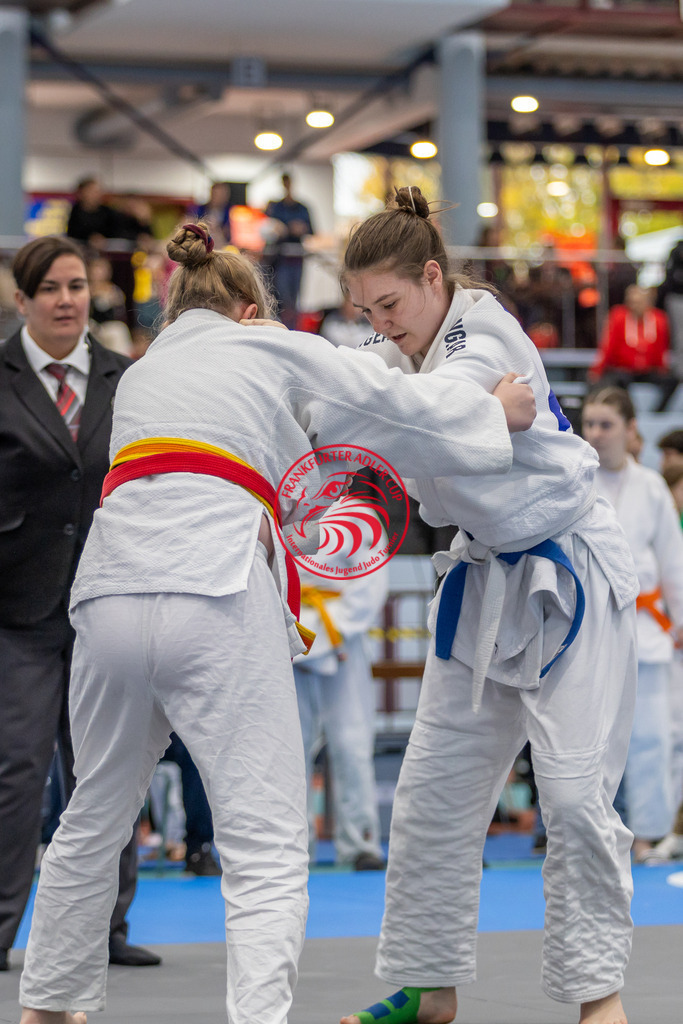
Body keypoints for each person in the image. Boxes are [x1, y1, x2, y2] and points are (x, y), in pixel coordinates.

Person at [17, 220, 535, 1024]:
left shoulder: (146, 373)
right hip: (212, 588)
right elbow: (390, 398)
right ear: (250, 309)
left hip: (111, 592)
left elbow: (283, 455)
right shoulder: (267, 345)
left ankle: (48, 1008)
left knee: (92, 815)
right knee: (263, 844)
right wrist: (489, 412)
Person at [339, 186, 639, 1024]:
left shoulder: (481, 329)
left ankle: (597, 999)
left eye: (390, 303)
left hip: (567, 574)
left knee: (576, 797)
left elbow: (427, 420)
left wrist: (479, 409)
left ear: (434, 278)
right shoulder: (396, 355)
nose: (381, 322)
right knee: (432, 789)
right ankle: (428, 986)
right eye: (364, 309)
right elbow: (362, 401)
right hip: (482, 581)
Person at [0, 236, 160, 973]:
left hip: (107, 602)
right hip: (17, 610)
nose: (67, 300)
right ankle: (2, 930)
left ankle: (106, 929)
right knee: (17, 770)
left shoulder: (124, 377)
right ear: (22, 299)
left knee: (107, 767)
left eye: (76, 286)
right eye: (51, 289)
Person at [581, 386, 683, 862]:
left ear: (630, 430)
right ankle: (592, 834)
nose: (596, 434)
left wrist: (679, 622)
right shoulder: (575, 480)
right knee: (587, 741)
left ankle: (647, 834)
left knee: (650, 739)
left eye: (606, 425)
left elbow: (673, 562)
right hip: (589, 630)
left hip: (648, 629)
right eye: (590, 424)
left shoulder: (652, 487)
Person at [293, 527, 389, 871]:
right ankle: (293, 846)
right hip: (286, 633)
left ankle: (360, 841)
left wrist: (334, 630)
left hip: (342, 638)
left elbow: (371, 581)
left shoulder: (358, 516)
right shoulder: (273, 507)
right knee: (290, 748)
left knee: (352, 743)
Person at [589, 284, 677, 412]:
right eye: (632, 302)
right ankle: (627, 411)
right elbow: (608, 346)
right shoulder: (618, 316)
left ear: (649, 302)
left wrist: (663, 369)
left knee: (672, 381)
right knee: (617, 380)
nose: (635, 305)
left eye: (639, 302)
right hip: (624, 370)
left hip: (648, 370)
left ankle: (656, 413)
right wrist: (597, 369)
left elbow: (662, 348)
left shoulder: (659, 319)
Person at [265, 172, 313, 328]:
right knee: (282, 298)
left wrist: (295, 229)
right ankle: (282, 328)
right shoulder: (276, 207)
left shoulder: (303, 208)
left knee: (294, 300)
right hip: (280, 260)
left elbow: (311, 230)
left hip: (297, 259)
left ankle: (293, 329)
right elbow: (270, 230)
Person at [196, 181, 233, 249]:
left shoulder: (230, 212)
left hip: (221, 246)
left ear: (226, 196)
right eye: (215, 194)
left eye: (220, 195)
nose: (217, 198)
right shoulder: (200, 209)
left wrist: (217, 230)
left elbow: (230, 234)